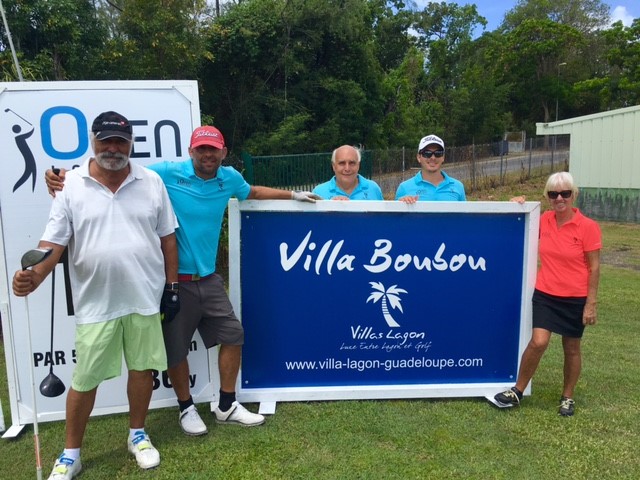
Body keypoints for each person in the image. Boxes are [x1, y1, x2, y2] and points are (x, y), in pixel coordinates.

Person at [45, 125, 320, 438]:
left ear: (223, 152)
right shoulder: (166, 173)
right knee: (176, 350)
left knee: (233, 335)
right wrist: (69, 175)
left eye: (213, 149)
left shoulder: (228, 178)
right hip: (172, 281)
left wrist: (294, 195)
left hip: (210, 278)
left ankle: (226, 404)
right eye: (201, 149)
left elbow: (252, 192)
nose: (207, 154)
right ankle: (186, 407)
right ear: (191, 151)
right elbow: (119, 170)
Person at [16, 111, 179, 480]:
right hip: (96, 301)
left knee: (142, 370)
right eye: (105, 141)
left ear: (130, 144)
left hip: (143, 296)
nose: (112, 149)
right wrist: (34, 275)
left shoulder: (150, 181)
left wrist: (171, 287)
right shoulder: (71, 185)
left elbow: (167, 238)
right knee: (85, 380)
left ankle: (137, 434)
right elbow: (53, 243)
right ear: (93, 141)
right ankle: (71, 453)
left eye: (120, 142)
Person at [494, 172, 601, 416]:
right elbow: (522, 225)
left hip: (575, 296)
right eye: (553, 194)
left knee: (572, 347)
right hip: (546, 293)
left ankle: (567, 397)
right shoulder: (544, 220)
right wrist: (515, 205)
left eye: (565, 193)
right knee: (539, 341)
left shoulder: (588, 227)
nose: (559, 198)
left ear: (574, 195)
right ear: (548, 197)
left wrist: (590, 303)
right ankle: (517, 391)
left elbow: (594, 267)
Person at [395, 134, 466, 203]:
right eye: (427, 153)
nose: (433, 158)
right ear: (419, 157)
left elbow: (464, 214)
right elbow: (395, 214)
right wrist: (401, 204)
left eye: (438, 153)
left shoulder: (458, 186)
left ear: (443, 157)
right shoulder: (404, 188)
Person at [312, 145, 383, 200]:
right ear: (334, 166)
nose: (347, 168)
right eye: (342, 163)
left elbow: (382, 218)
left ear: (358, 165)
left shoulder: (373, 189)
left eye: (352, 163)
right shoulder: (318, 193)